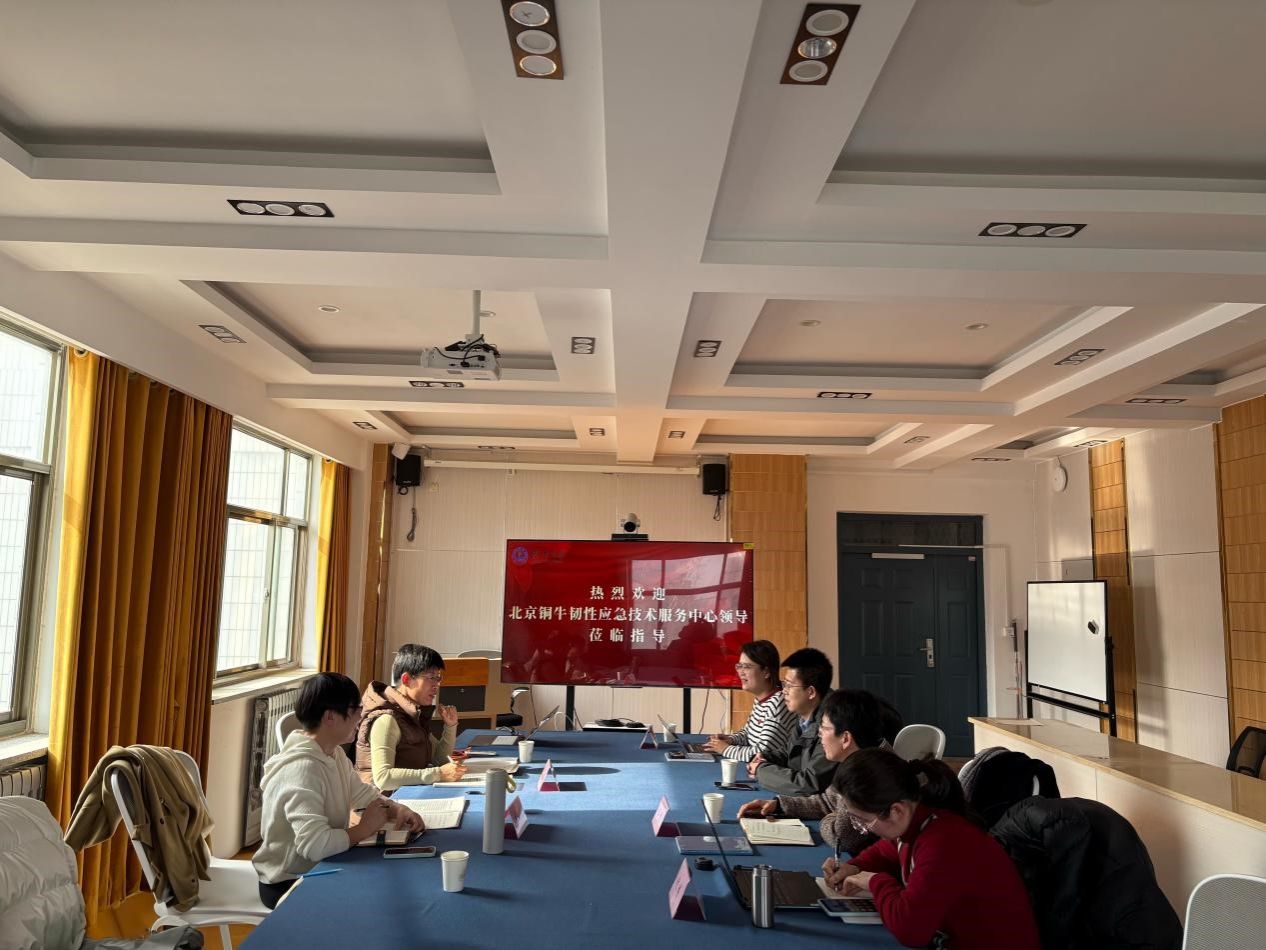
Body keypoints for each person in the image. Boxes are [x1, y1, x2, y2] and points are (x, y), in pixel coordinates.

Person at [823, 748, 1041, 950]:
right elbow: (883, 852)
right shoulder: (917, 820)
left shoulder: (944, 843)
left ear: (896, 810)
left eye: (862, 821)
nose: (861, 828)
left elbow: (910, 930)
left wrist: (874, 881)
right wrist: (853, 867)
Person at [253, 673, 425, 909]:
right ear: (330, 717)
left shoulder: (333, 753)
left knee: (397, 886)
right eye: (355, 709)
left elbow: (362, 794)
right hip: (290, 882)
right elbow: (314, 846)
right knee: (385, 898)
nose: (360, 716)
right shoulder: (302, 769)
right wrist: (364, 829)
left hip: (323, 865)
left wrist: (396, 809)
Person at [737, 688, 894, 852]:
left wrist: (829, 818)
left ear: (846, 738)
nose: (819, 735)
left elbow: (839, 837)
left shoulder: (869, 774)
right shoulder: (857, 758)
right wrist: (779, 806)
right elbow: (828, 801)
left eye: (824, 728)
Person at [355, 644, 468, 792]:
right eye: (431, 677)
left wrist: (450, 727)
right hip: (382, 801)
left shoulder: (412, 713)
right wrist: (438, 774)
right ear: (407, 679)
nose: (437, 685)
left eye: (438, 678)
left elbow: (439, 760)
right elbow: (383, 778)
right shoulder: (386, 719)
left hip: (405, 796)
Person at [748, 647, 836, 796]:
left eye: (789, 685)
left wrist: (761, 770)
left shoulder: (832, 725)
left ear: (811, 692)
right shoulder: (805, 714)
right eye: (784, 684)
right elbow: (791, 754)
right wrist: (765, 757)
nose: (784, 691)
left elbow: (809, 784)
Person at [703, 639, 797, 762]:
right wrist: (730, 739)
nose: (740, 672)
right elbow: (749, 733)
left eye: (747, 667)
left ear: (766, 672)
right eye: (739, 666)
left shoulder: (778, 704)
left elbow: (763, 754)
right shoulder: (764, 695)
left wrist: (725, 749)